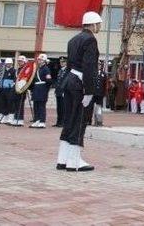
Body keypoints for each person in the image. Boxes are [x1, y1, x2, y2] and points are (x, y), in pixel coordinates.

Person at [56, 11, 102, 172]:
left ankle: (62, 158)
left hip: (70, 81)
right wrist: (90, 90)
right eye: (99, 24)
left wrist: (62, 85)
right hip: (81, 83)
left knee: (69, 120)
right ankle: (74, 161)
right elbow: (89, 66)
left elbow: (69, 65)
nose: (100, 27)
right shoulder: (90, 40)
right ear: (94, 24)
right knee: (80, 120)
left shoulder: (73, 39)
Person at [30, 54, 53, 128]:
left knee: (41, 106)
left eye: (40, 60)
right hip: (36, 88)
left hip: (42, 88)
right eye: (39, 59)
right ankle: (37, 120)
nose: (39, 61)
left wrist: (46, 89)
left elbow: (49, 81)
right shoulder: (38, 69)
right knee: (36, 105)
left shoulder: (46, 69)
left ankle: (42, 121)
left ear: (44, 61)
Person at [0, 59, 16, 124]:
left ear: (12, 64)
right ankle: (4, 117)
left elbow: (14, 80)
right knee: (3, 103)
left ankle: (10, 117)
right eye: (7, 63)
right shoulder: (3, 71)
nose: (8, 64)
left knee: (10, 103)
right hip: (3, 89)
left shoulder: (14, 71)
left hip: (10, 90)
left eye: (9, 63)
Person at [92, 61, 107, 126]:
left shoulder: (104, 74)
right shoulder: (93, 73)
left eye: (100, 65)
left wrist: (104, 93)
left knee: (99, 108)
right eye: (98, 65)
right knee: (94, 108)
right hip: (93, 93)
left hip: (100, 94)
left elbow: (105, 85)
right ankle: (95, 121)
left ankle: (99, 121)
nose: (99, 66)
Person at [54, 57, 68, 127]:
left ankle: (63, 122)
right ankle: (58, 121)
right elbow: (58, 81)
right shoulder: (60, 71)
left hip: (63, 92)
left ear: (66, 63)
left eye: (63, 62)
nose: (61, 63)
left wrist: (64, 91)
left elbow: (66, 82)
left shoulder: (67, 71)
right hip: (58, 91)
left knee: (63, 108)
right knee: (58, 108)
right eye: (61, 62)